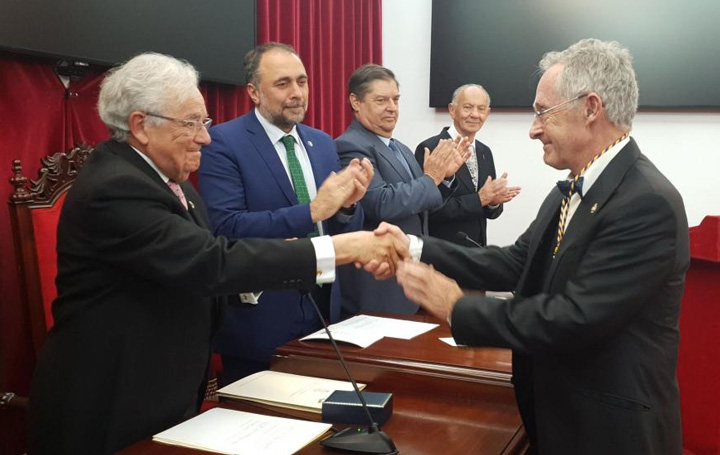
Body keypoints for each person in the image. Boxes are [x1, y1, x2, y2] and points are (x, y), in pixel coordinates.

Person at [27, 52, 406, 455]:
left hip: (167, 380)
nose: (205, 137)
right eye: (191, 123)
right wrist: (337, 249)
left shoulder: (172, 181)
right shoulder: (117, 187)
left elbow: (218, 255)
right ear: (141, 126)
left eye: (203, 123)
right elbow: (212, 261)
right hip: (110, 398)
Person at [391, 39, 689, 455]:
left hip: (609, 432)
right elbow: (515, 262)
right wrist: (413, 247)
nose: (533, 129)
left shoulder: (647, 201)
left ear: (590, 108)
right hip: (558, 417)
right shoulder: (571, 187)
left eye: (541, 113)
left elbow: (575, 318)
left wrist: (458, 308)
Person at [197, 43, 368, 384]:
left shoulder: (321, 143)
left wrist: (348, 205)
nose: (297, 93)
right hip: (262, 315)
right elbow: (227, 226)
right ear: (254, 92)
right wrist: (312, 210)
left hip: (324, 307)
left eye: (302, 82)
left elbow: (338, 224)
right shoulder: (223, 142)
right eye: (283, 83)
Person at [335, 63, 469, 315]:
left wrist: (445, 179)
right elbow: (380, 203)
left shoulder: (402, 149)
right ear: (355, 102)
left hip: (410, 277)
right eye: (381, 100)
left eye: (396, 99)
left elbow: (426, 202)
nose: (392, 108)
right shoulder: (349, 146)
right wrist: (432, 177)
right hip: (378, 285)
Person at [415, 84, 520, 247]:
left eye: (481, 109)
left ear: (488, 113)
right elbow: (429, 210)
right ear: (452, 109)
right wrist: (480, 199)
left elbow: (488, 212)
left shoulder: (485, 152)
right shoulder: (432, 148)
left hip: (476, 252)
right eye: (468, 107)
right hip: (442, 252)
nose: (475, 114)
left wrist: (493, 203)